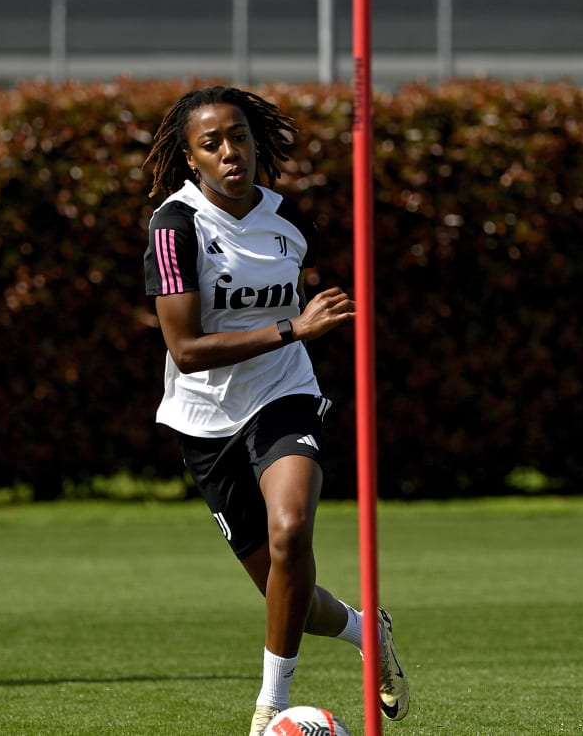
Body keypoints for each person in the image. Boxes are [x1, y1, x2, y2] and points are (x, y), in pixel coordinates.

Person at [141, 86, 409, 735]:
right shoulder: (173, 229)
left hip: (283, 395)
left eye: (239, 137)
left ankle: (270, 707)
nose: (230, 152)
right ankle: (367, 632)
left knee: (292, 532)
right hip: (205, 422)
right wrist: (293, 327)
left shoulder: (292, 221)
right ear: (189, 157)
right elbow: (185, 348)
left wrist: (297, 339)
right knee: (284, 597)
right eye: (212, 143)